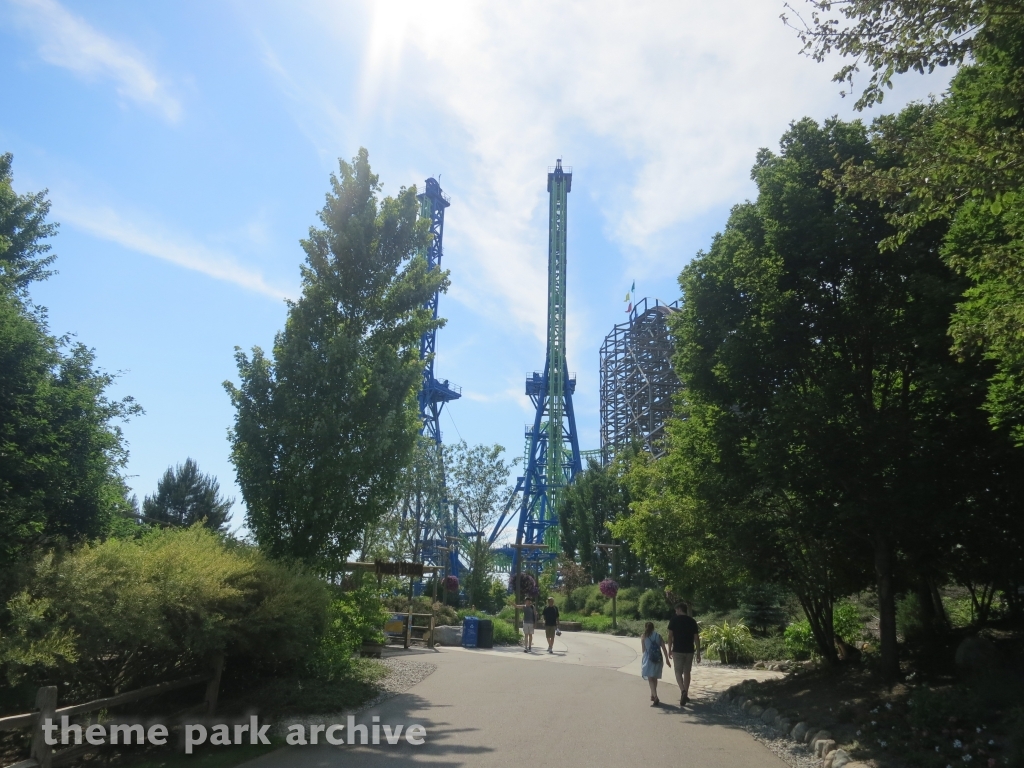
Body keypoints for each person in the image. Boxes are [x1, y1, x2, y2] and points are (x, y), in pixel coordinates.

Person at [667, 601, 701, 706]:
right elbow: (696, 638)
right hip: (689, 650)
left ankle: (682, 691)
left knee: (678, 671)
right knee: (687, 672)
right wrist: (698, 652)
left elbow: (670, 636)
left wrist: (669, 649)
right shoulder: (692, 621)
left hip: (677, 649)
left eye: (676, 610)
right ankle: (686, 693)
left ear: (679, 609)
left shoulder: (674, 620)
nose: (675, 612)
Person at [640, 621, 671, 706]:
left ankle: (655, 696)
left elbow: (643, 650)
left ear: (645, 627)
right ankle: (653, 694)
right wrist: (667, 659)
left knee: (650, 678)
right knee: (655, 678)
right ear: (653, 627)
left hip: (648, 659)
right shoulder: (658, 635)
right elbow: (664, 648)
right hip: (658, 658)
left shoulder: (644, 636)